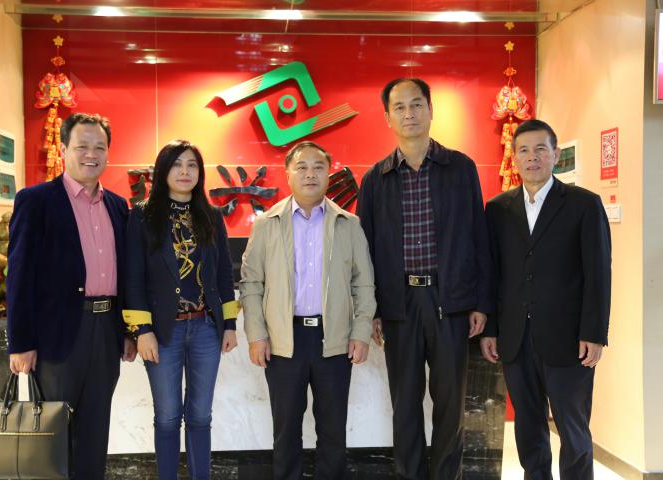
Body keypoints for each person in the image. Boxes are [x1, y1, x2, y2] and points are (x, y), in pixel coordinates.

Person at [356, 78, 494, 480]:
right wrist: (373, 311)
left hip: (450, 301)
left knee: (451, 404)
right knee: (405, 403)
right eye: (399, 107)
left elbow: (478, 238)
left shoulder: (460, 168)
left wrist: (481, 302)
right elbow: (365, 253)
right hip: (399, 305)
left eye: (416, 105)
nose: (409, 114)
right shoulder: (375, 179)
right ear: (388, 118)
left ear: (430, 110)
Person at [7, 112, 136, 479]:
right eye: (82, 146)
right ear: (63, 149)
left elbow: (126, 271)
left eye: (99, 147)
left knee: (95, 431)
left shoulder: (117, 206)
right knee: (54, 433)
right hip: (59, 334)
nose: (91, 154)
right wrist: (21, 343)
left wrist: (128, 330)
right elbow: (19, 275)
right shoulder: (36, 201)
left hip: (106, 331)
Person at [481, 119, 611, 479]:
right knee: (528, 425)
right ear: (514, 158)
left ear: (555, 154)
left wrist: (594, 333)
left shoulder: (584, 204)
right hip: (516, 338)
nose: (532, 157)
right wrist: (491, 328)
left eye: (541, 149)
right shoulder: (497, 209)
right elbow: (492, 273)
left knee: (573, 428)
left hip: (569, 339)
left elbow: (598, 274)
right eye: (523, 150)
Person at [240, 141, 376, 480]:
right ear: (288, 174)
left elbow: (363, 284)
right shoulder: (267, 224)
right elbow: (251, 283)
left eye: (318, 167)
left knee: (333, 430)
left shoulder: (349, 224)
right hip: (284, 341)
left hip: (334, 340)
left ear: (329, 174)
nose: (310, 174)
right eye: (301, 167)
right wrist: (256, 335)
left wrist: (361, 332)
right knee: (286, 430)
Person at [123, 140, 239, 480]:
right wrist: (142, 331)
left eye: (192, 165)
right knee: (168, 417)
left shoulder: (211, 216)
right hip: (162, 332)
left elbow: (223, 273)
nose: (185, 171)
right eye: (177, 164)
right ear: (163, 171)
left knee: (201, 416)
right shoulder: (142, 215)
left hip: (206, 329)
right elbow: (133, 277)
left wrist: (229, 324)